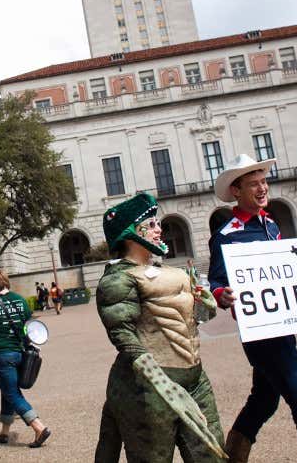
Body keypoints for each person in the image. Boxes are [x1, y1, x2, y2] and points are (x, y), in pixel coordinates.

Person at [208, 155, 297, 463]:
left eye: (264, 181)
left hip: (283, 328)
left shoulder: (271, 226)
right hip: (260, 334)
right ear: (236, 191)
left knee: (265, 400)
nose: (262, 188)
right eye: (253, 184)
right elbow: (216, 281)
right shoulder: (226, 235)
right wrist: (221, 295)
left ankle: (233, 455)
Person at [95, 192, 225, 462]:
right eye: (151, 224)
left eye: (158, 223)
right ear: (131, 233)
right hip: (148, 388)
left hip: (194, 378)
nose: (159, 229)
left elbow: (195, 320)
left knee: (212, 455)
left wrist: (206, 302)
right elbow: (121, 333)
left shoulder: (170, 272)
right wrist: (160, 382)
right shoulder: (117, 279)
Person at [0, 269, 51, 448]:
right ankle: (4, 432)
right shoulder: (20, 300)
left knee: (12, 393)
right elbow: (30, 325)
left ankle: (39, 427)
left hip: (1, 355)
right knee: (7, 390)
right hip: (20, 353)